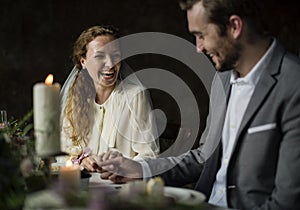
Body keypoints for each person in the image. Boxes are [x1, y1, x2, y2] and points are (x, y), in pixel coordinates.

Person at [97, 0, 300, 209]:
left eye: (201, 35)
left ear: (234, 26)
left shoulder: (293, 86)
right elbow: (204, 157)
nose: (198, 48)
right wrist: (141, 169)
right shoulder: (222, 79)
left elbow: (286, 203)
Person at [59, 25, 159, 172]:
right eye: (100, 56)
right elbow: (62, 153)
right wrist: (81, 161)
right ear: (83, 62)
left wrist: (121, 168)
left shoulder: (135, 96)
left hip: (120, 187)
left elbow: (150, 155)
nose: (111, 64)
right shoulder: (75, 99)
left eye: (115, 56)